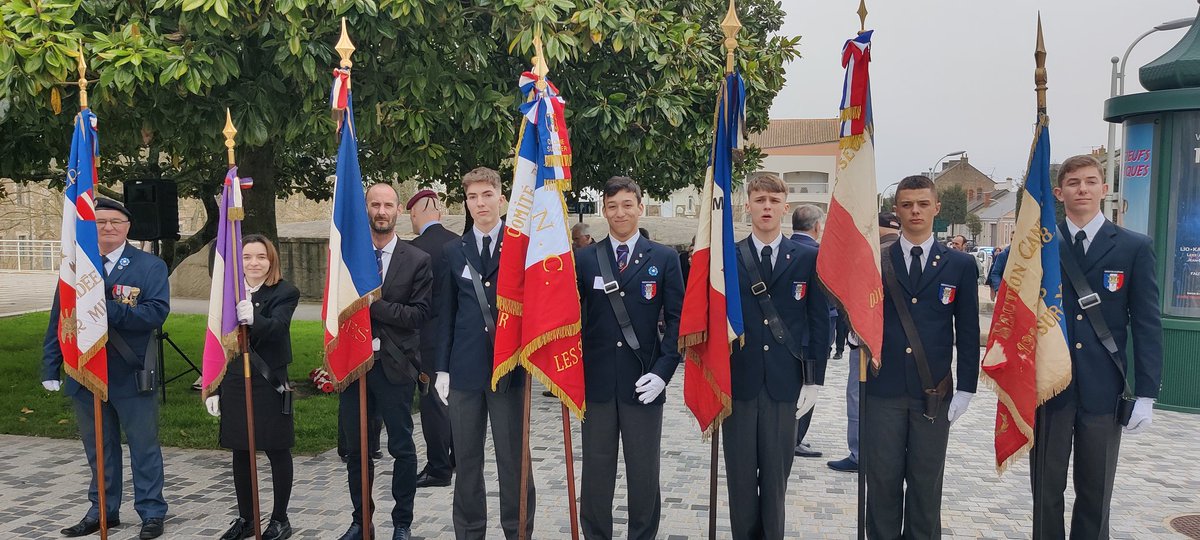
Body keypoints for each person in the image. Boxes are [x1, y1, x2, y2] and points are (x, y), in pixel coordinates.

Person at [1032, 155, 1163, 539]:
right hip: (1051, 387)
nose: (1083, 189)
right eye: (1073, 183)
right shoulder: (1039, 246)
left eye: (1091, 181)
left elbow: (1146, 322)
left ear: (1105, 189)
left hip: (1103, 389)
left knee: (1095, 492)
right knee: (1045, 490)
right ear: (1059, 192)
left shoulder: (1134, 247)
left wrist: (1146, 394)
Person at [42, 197, 170, 539]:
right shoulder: (76, 266)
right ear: (90, 226)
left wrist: (104, 308)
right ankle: (102, 509)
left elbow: (156, 313)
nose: (108, 227)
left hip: (130, 372)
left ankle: (152, 512)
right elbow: (61, 318)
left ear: (128, 227)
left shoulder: (149, 266)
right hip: (85, 372)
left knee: (143, 447)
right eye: (100, 222)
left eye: (115, 221)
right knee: (99, 449)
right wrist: (49, 365)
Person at [865, 175, 979, 538]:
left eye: (923, 204)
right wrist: (856, 334)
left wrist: (967, 389)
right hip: (884, 389)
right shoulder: (876, 259)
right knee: (882, 484)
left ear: (937, 208)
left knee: (925, 485)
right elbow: (862, 311)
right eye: (907, 204)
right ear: (896, 210)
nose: (915, 211)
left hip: (933, 390)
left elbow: (968, 330)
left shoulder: (959, 265)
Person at [575, 176, 684, 540]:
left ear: (640, 206)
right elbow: (570, 318)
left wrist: (663, 373)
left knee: (643, 472)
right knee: (596, 472)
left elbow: (677, 321)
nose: (619, 212)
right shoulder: (586, 258)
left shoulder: (665, 258)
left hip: (644, 382)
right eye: (611, 206)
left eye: (626, 204)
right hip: (598, 383)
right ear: (603, 211)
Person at [725, 174, 830, 540]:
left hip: (786, 384)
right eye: (759, 199)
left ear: (785, 207)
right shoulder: (729, 256)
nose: (766, 206)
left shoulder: (808, 257)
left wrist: (814, 380)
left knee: (775, 480)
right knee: (739, 481)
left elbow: (819, 324)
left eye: (773, 200)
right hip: (738, 382)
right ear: (748, 206)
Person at [433, 167, 535, 540]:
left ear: (501, 198)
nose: (480, 203)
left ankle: (518, 531)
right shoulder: (452, 251)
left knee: (514, 461)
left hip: (510, 367)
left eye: (487, 195)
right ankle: (470, 532)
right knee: (467, 461)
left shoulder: (522, 246)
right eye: (473, 197)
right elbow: (445, 315)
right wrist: (441, 369)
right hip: (465, 371)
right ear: (466, 202)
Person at [336, 183, 433, 540]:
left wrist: (374, 305)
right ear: (366, 209)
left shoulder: (418, 260)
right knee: (356, 452)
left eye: (388, 205)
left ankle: (402, 523)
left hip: (396, 368)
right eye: (375, 204)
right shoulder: (347, 258)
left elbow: (420, 314)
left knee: (402, 448)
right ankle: (361, 520)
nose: (381, 211)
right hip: (354, 366)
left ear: (398, 211)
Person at [207, 235, 301, 540]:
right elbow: (217, 344)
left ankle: (280, 519)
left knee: (276, 448)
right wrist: (214, 387)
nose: (254, 263)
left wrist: (254, 318)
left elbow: (278, 329)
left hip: (269, 379)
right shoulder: (226, 292)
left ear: (271, 260)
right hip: (235, 378)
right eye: (247, 257)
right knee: (241, 449)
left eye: (261, 257)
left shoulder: (285, 291)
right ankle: (247, 519)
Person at [827, 212, 902, 474]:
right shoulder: (903, 252)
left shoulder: (870, 255)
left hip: (865, 342)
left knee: (858, 397)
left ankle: (860, 454)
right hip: (898, 344)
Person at [406, 188, 459, 489]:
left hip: (427, 336)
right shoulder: (459, 243)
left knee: (433, 403)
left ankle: (439, 467)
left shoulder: (415, 249)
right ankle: (456, 458)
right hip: (459, 335)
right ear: (439, 212)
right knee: (455, 399)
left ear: (415, 214)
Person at [789, 204, 832, 460]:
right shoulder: (819, 254)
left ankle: (790, 435)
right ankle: (795, 438)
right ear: (817, 226)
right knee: (809, 386)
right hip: (812, 335)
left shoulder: (786, 249)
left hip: (789, 335)